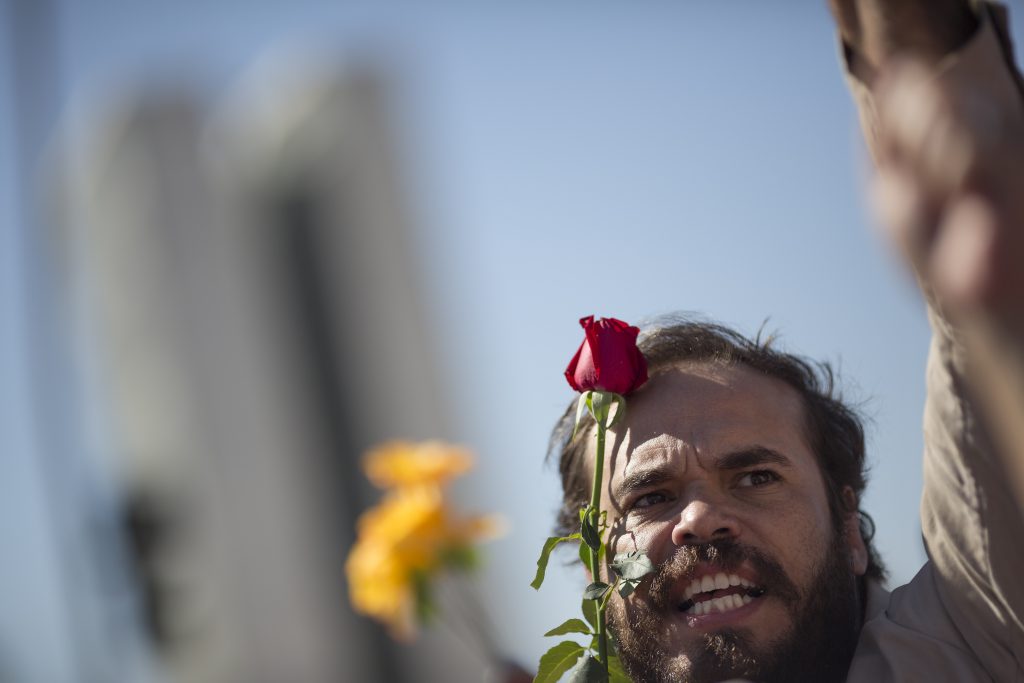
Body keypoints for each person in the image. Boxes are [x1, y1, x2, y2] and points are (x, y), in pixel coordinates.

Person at [547, 1, 1024, 680]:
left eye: (756, 476)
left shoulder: (971, 643)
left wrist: (919, 60)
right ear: (595, 565)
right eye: (649, 496)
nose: (701, 519)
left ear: (850, 529)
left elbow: (993, 314)